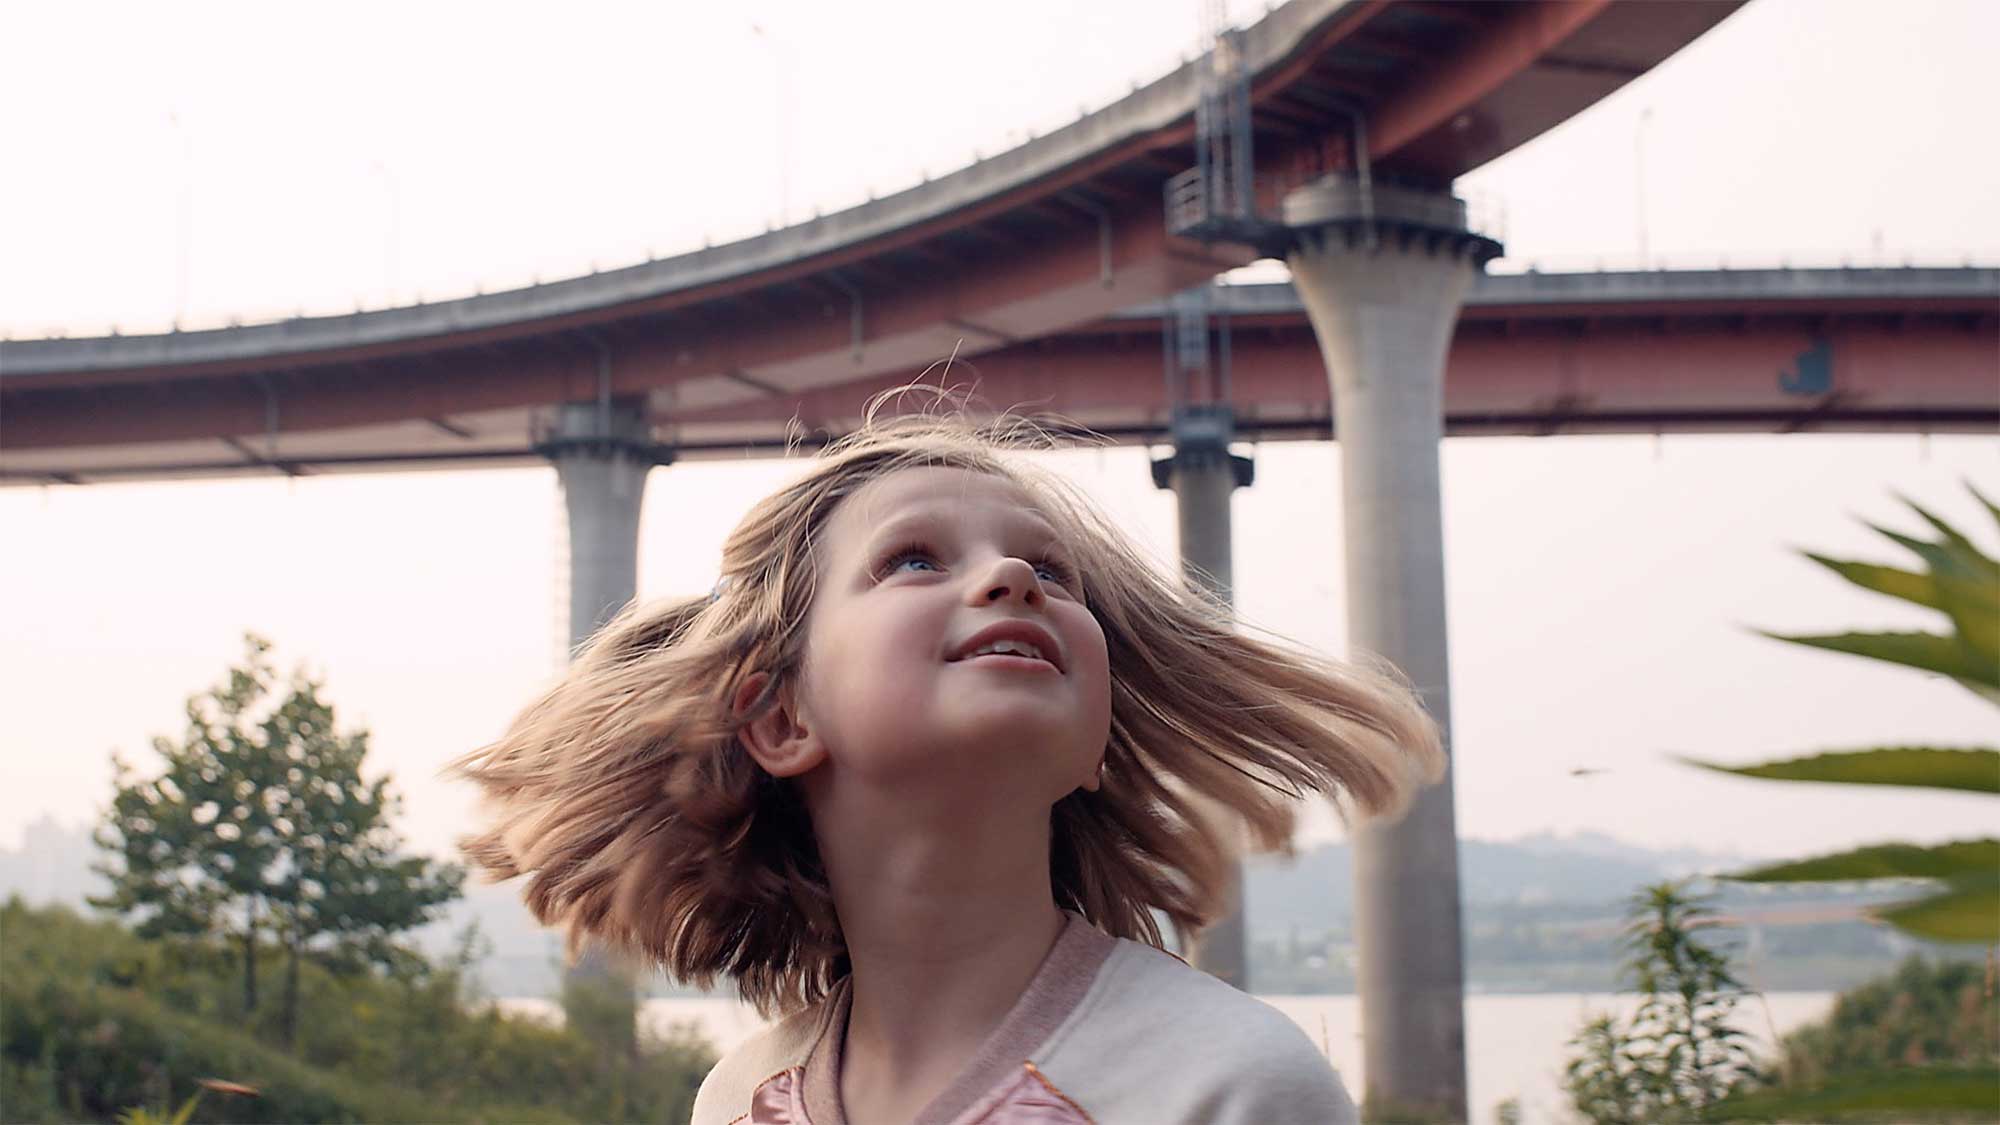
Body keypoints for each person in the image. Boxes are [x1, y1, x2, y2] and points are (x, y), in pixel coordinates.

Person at [448, 391, 1444, 1125]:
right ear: (782, 718)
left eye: (1052, 572)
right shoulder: (739, 1100)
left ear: (1093, 739)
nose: (1011, 576)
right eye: (915, 558)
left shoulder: (1233, 1082)